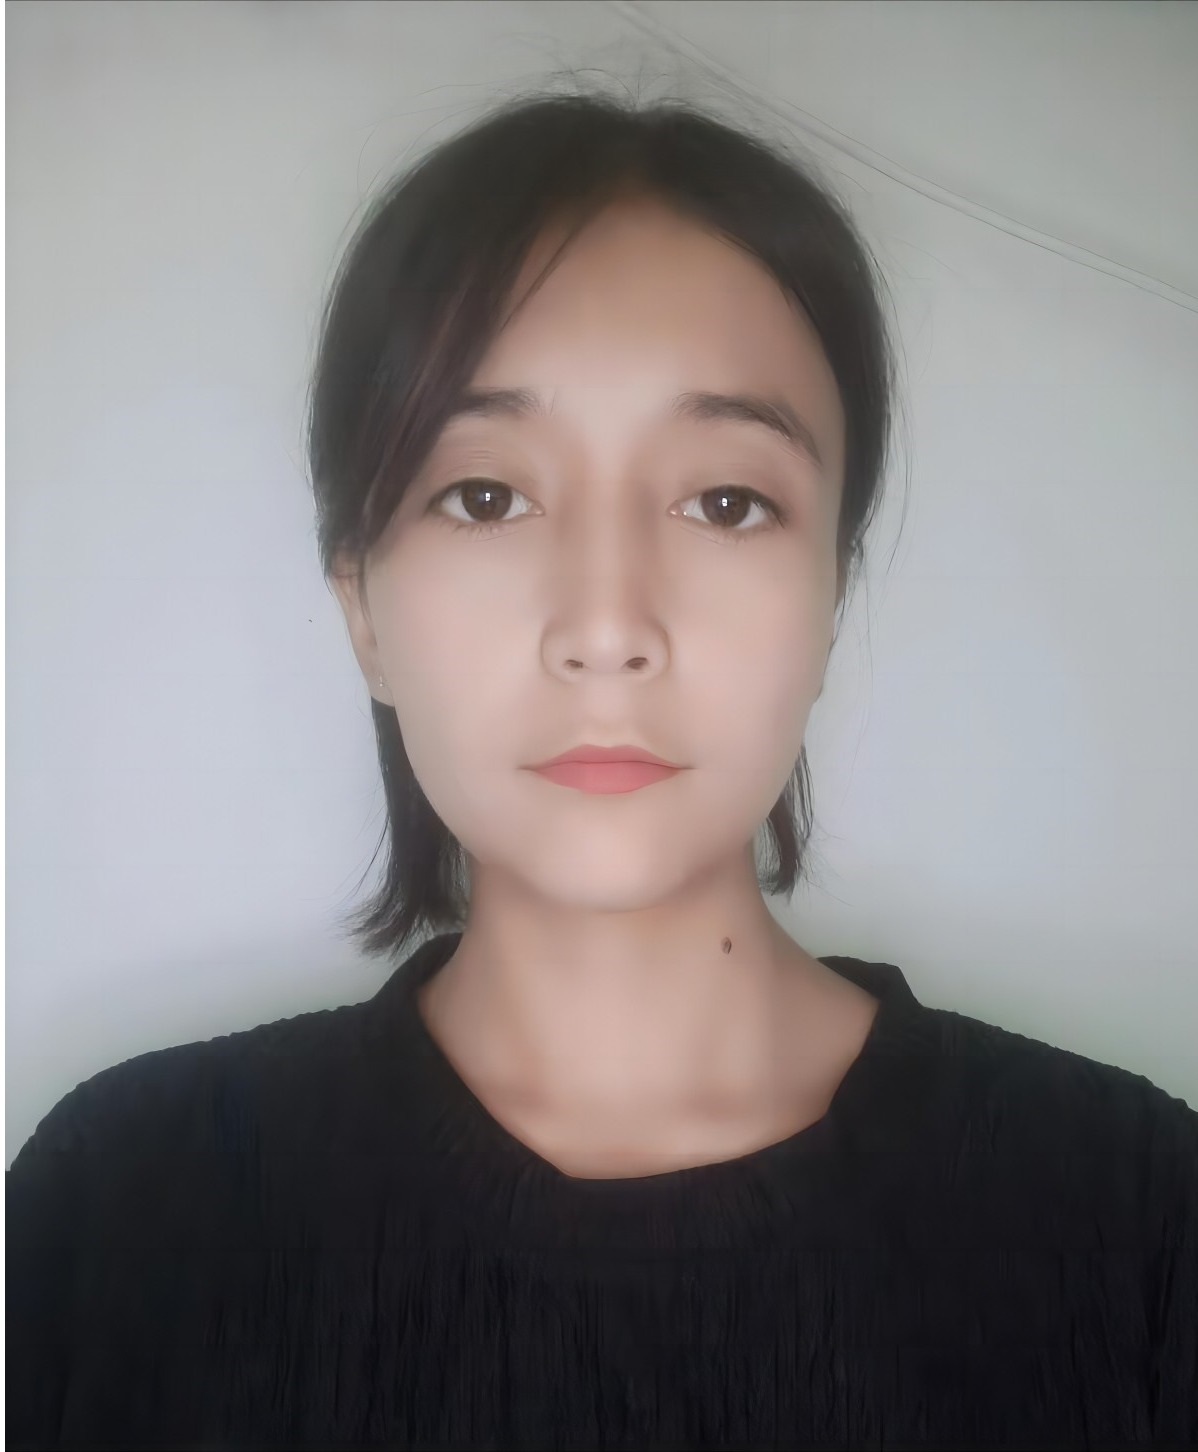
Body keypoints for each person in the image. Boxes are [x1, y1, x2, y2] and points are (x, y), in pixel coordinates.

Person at [8, 81, 1196, 1451]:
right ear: (362, 610)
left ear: (831, 599)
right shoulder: (115, 1218)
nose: (608, 624)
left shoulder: (1135, 1224)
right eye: (487, 495)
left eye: (726, 501)